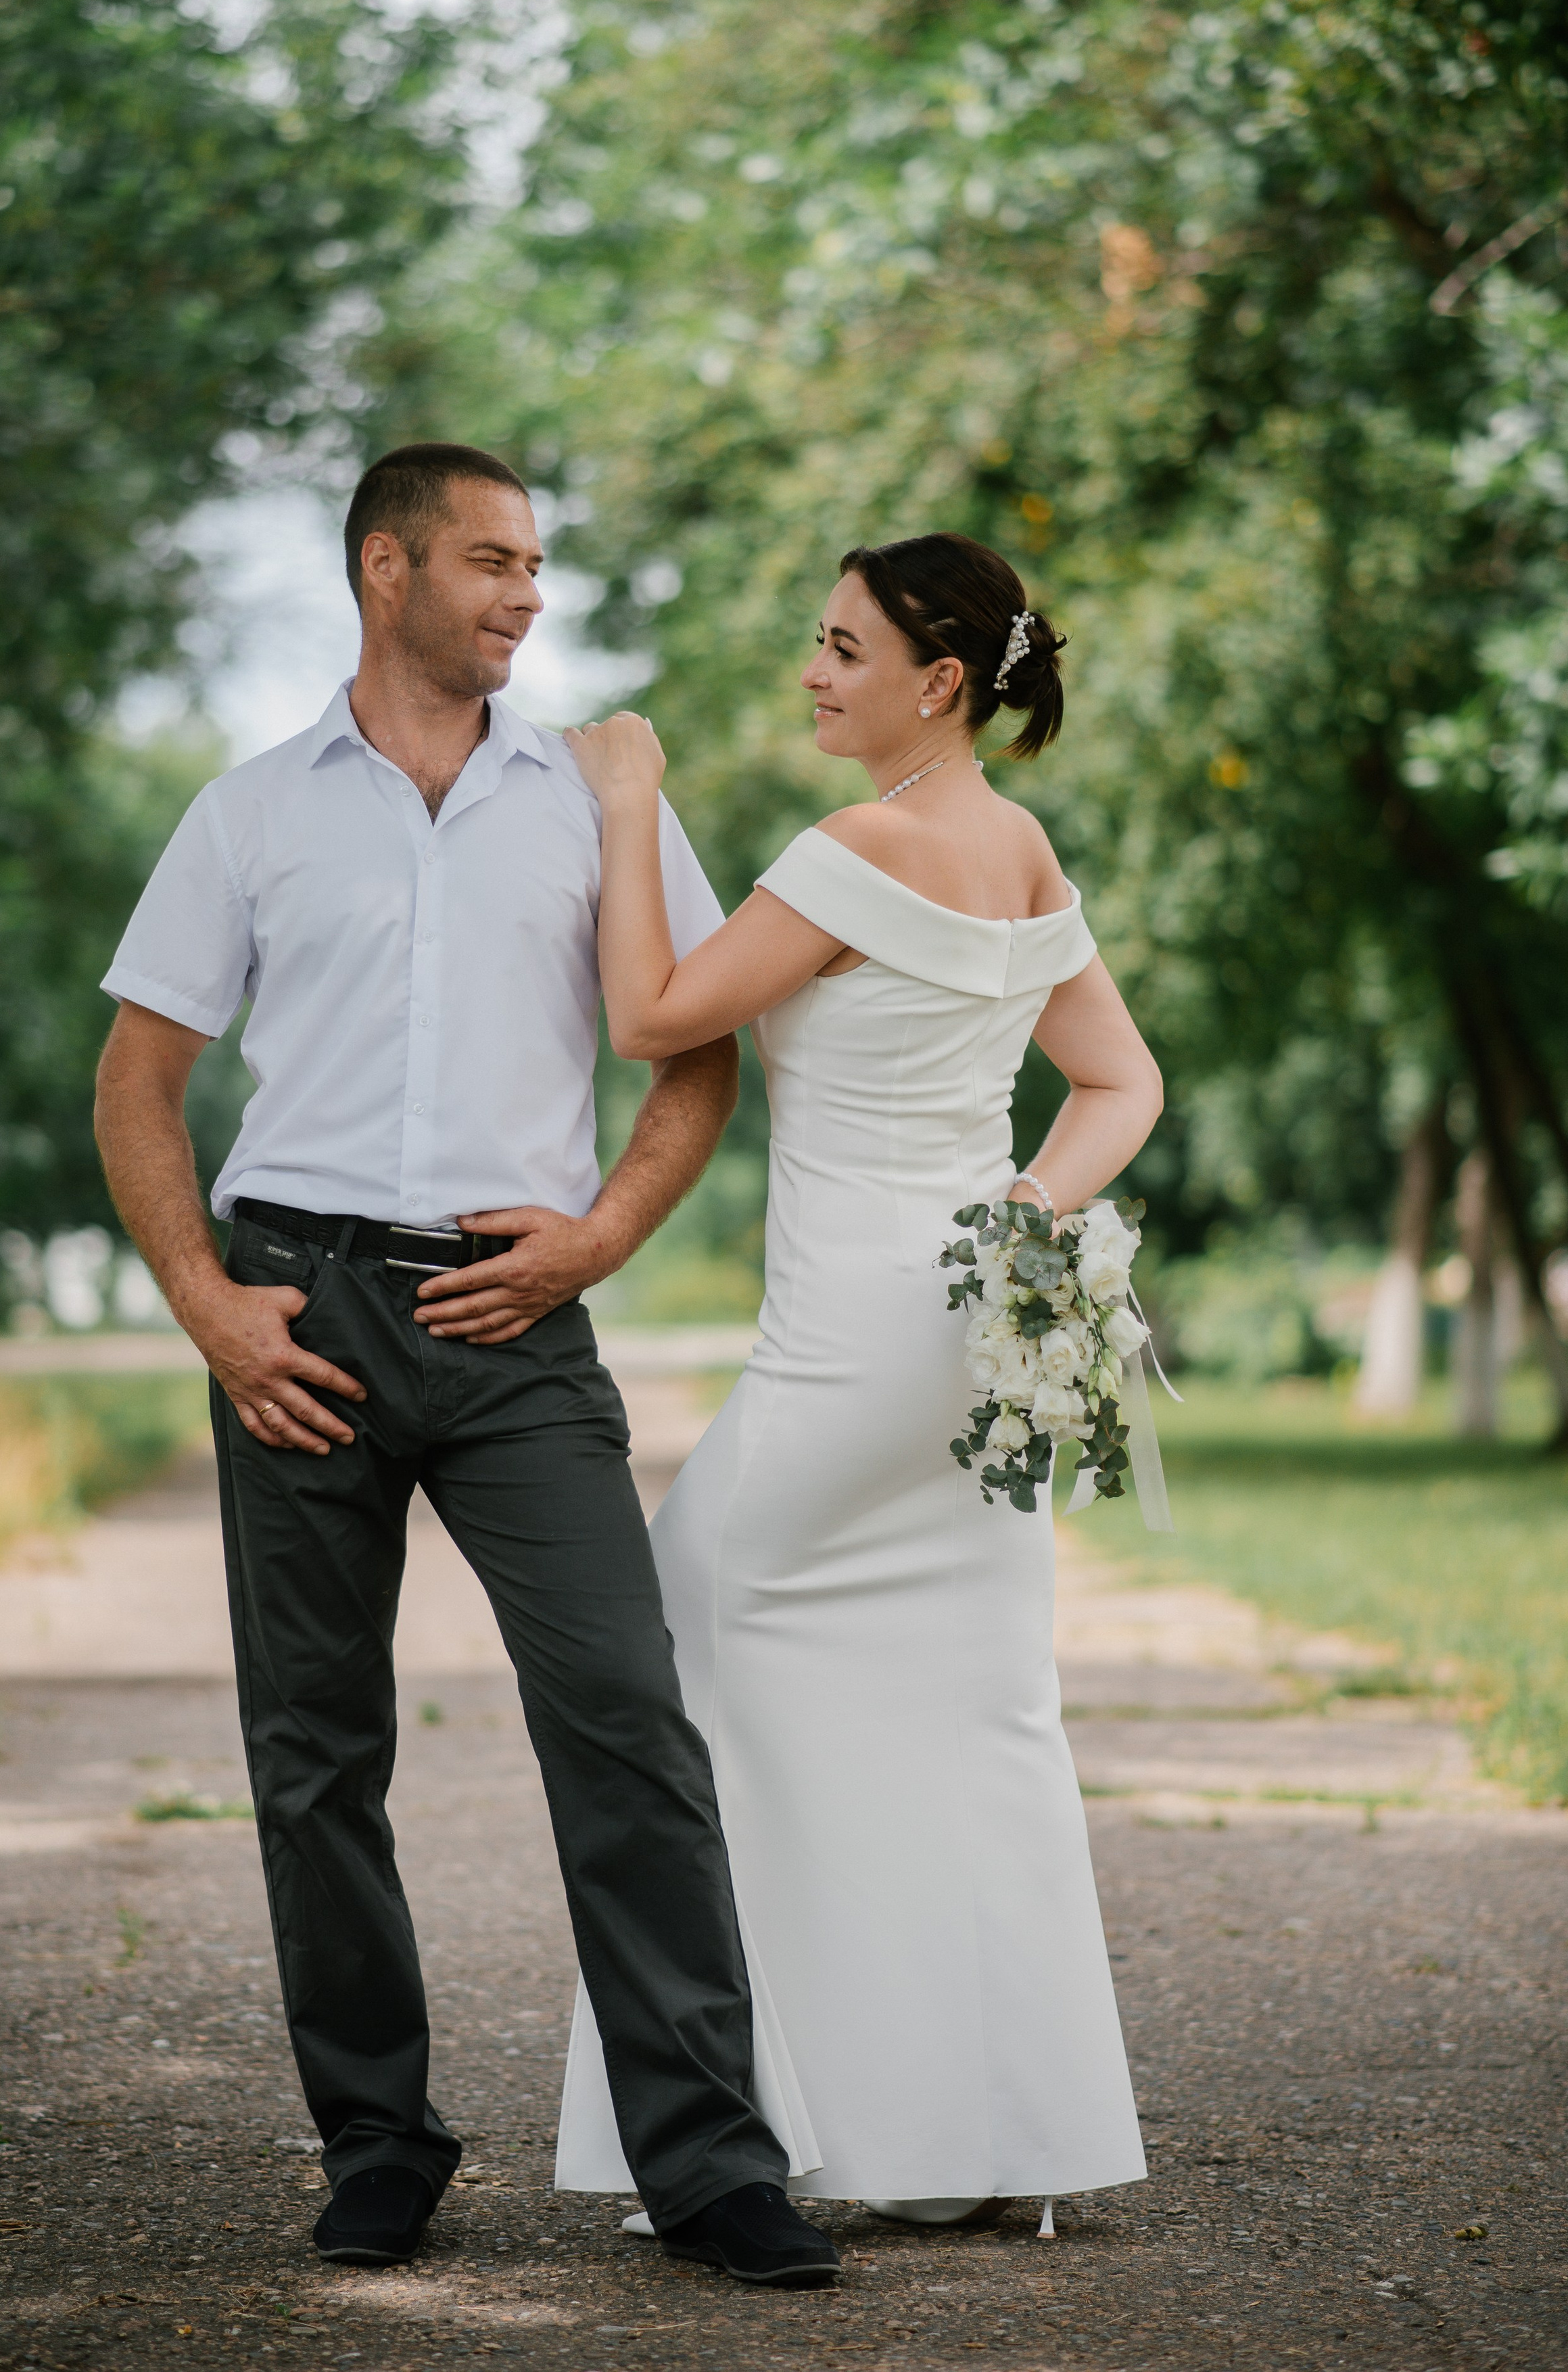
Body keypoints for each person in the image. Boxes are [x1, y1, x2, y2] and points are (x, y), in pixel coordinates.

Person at [93, 442, 841, 2289]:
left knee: (628, 1722)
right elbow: (140, 1080)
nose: (526, 594)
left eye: (536, 565)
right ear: (386, 566)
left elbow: (693, 1054)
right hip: (301, 1319)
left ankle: (710, 2163)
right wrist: (209, 1301)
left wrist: (598, 1238)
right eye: (492, 561)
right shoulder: (253, 811)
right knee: (314, 1752)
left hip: (517, 1323)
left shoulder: (595, 801)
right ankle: (376, 2139)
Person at [557, 532, 1164, 2228]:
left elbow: (651, 1013)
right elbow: (1120, 1084)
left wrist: (624, 798)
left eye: (840, 647)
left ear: (940, 680)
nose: (812, 671)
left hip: (847, 1335)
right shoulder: (1021, 850)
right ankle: (995, 2148)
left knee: (683, 1655)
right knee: (972, 1713)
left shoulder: (852, 847)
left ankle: (741, 2129)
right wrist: (1022, 1220)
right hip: (977, 1324)